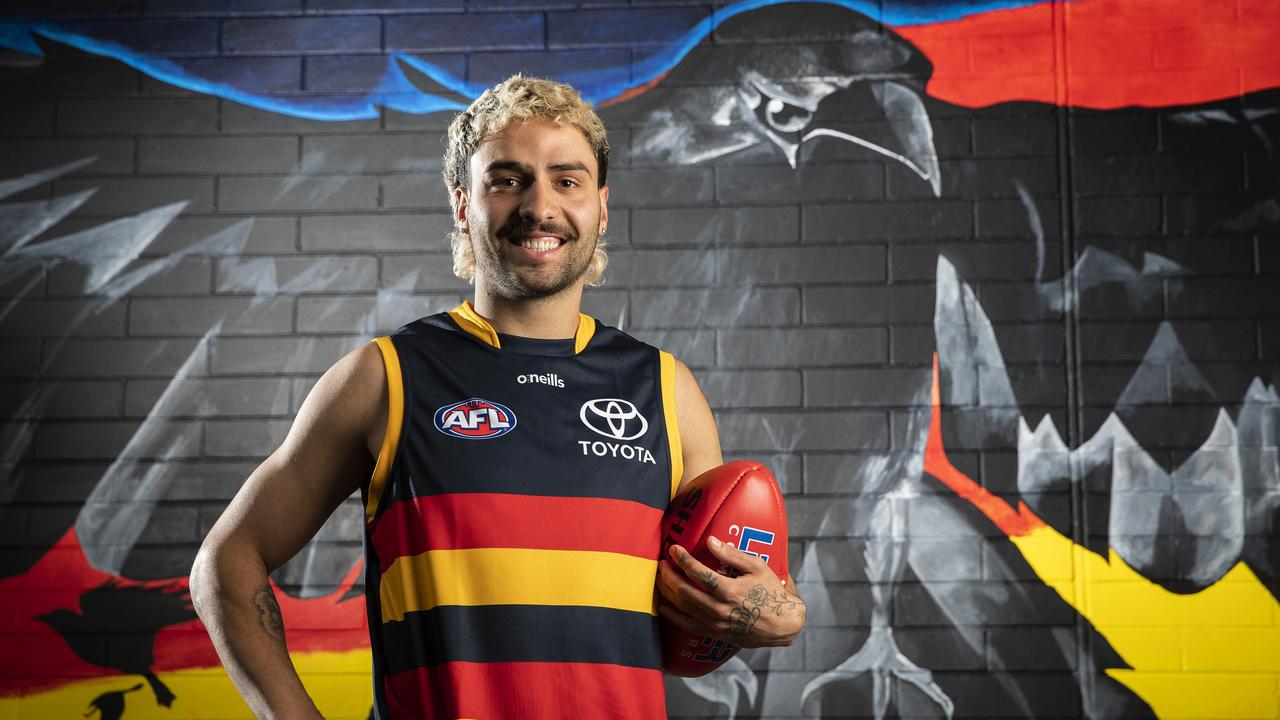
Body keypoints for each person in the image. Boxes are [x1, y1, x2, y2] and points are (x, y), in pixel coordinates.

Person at [190, 75, 806, 719]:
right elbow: (227, 562)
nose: (539, 207)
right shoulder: (385, 378)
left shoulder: (665, 390)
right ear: (463, 204)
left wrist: (780, 615)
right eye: (507, 180)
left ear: (601, 205)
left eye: (566, 180)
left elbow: (726, 589)